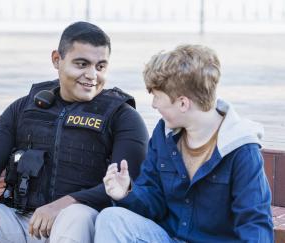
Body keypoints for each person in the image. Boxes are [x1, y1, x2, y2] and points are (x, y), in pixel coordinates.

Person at [0, 21, 149, 243]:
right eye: (82, 64)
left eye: (101, 66)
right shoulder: (24, 107)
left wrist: (64, 204)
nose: (92, 75)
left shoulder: (123, 117)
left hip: (77, 225)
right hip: (20, 220)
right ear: (57, 59)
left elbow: (127, 184)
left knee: (76, 215)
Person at [95, 44, 273, 242]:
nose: (153, 104)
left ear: (182, 103)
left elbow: (255, 223)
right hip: (169, 238)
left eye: (157, 96)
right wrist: (127, 191)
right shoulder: (164, 135)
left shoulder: (242, 150)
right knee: (111, 219)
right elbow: (154, 202)